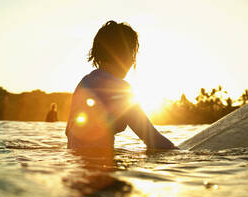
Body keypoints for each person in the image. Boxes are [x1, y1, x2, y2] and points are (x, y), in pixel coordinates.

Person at [66, 21, 175, 149]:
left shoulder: (84, 83)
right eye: (133, 53)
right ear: (126, 53)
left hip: (76, 164)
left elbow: (69, 132)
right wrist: (186, 157)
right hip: (99, 166)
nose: (133, 60)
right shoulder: (119, 87)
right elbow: (152, 138)